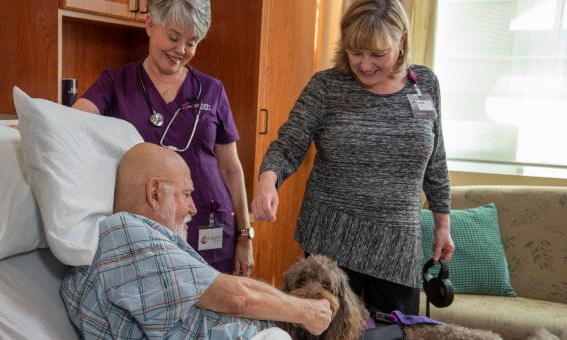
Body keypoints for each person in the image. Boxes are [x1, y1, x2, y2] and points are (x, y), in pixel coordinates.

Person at [251, 0, 454, 316]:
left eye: (377, 54)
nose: (365, 64)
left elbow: (435, 159)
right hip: (330, 239)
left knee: (396, 334)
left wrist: (443, 224)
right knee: (320, 332)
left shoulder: (424, 85)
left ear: (401, 41)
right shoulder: (326, 86)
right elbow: (288, 145)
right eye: (355, 52)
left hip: (396, 244)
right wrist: (268, 181)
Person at [60, 143, 332, 339]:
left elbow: (233, 290)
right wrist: (308, 312)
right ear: (155, 193)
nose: (193, 208)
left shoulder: (137, 246)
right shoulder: (123, 231)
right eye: (187, 194)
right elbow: (238, 298)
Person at [71, 0, 253, 276]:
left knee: (215, 311)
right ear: (149, 24)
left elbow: (231, 168)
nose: (181, 50)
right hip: (146, 230)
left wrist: (245, 235)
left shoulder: (212, 90)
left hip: (209, 226)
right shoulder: (116, 83)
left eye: (192, 42)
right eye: (173, 37)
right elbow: (72, 120)